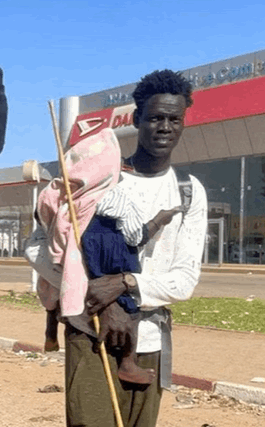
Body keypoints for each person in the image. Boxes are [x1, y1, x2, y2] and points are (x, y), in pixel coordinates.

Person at [27, 69, 208, 427]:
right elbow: (39, 247)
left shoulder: (188, 193)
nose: (164, 127)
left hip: (148, 345)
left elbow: (184, 280)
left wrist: (127, 283)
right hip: (90, 339)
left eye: (173, 118)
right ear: (137, 120)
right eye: (154, 118)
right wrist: (92, 297)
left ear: (184, 120)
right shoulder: (97, 176)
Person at [35, 128, 183, 385]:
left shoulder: (72, 200)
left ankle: (50, 334)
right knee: (131, 310)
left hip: (87, 263)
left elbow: (49, 225)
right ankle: (128, 363)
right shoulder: (116, 196)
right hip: (115, 261)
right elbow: (136, 235)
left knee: (52, 299)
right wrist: (160, 219)